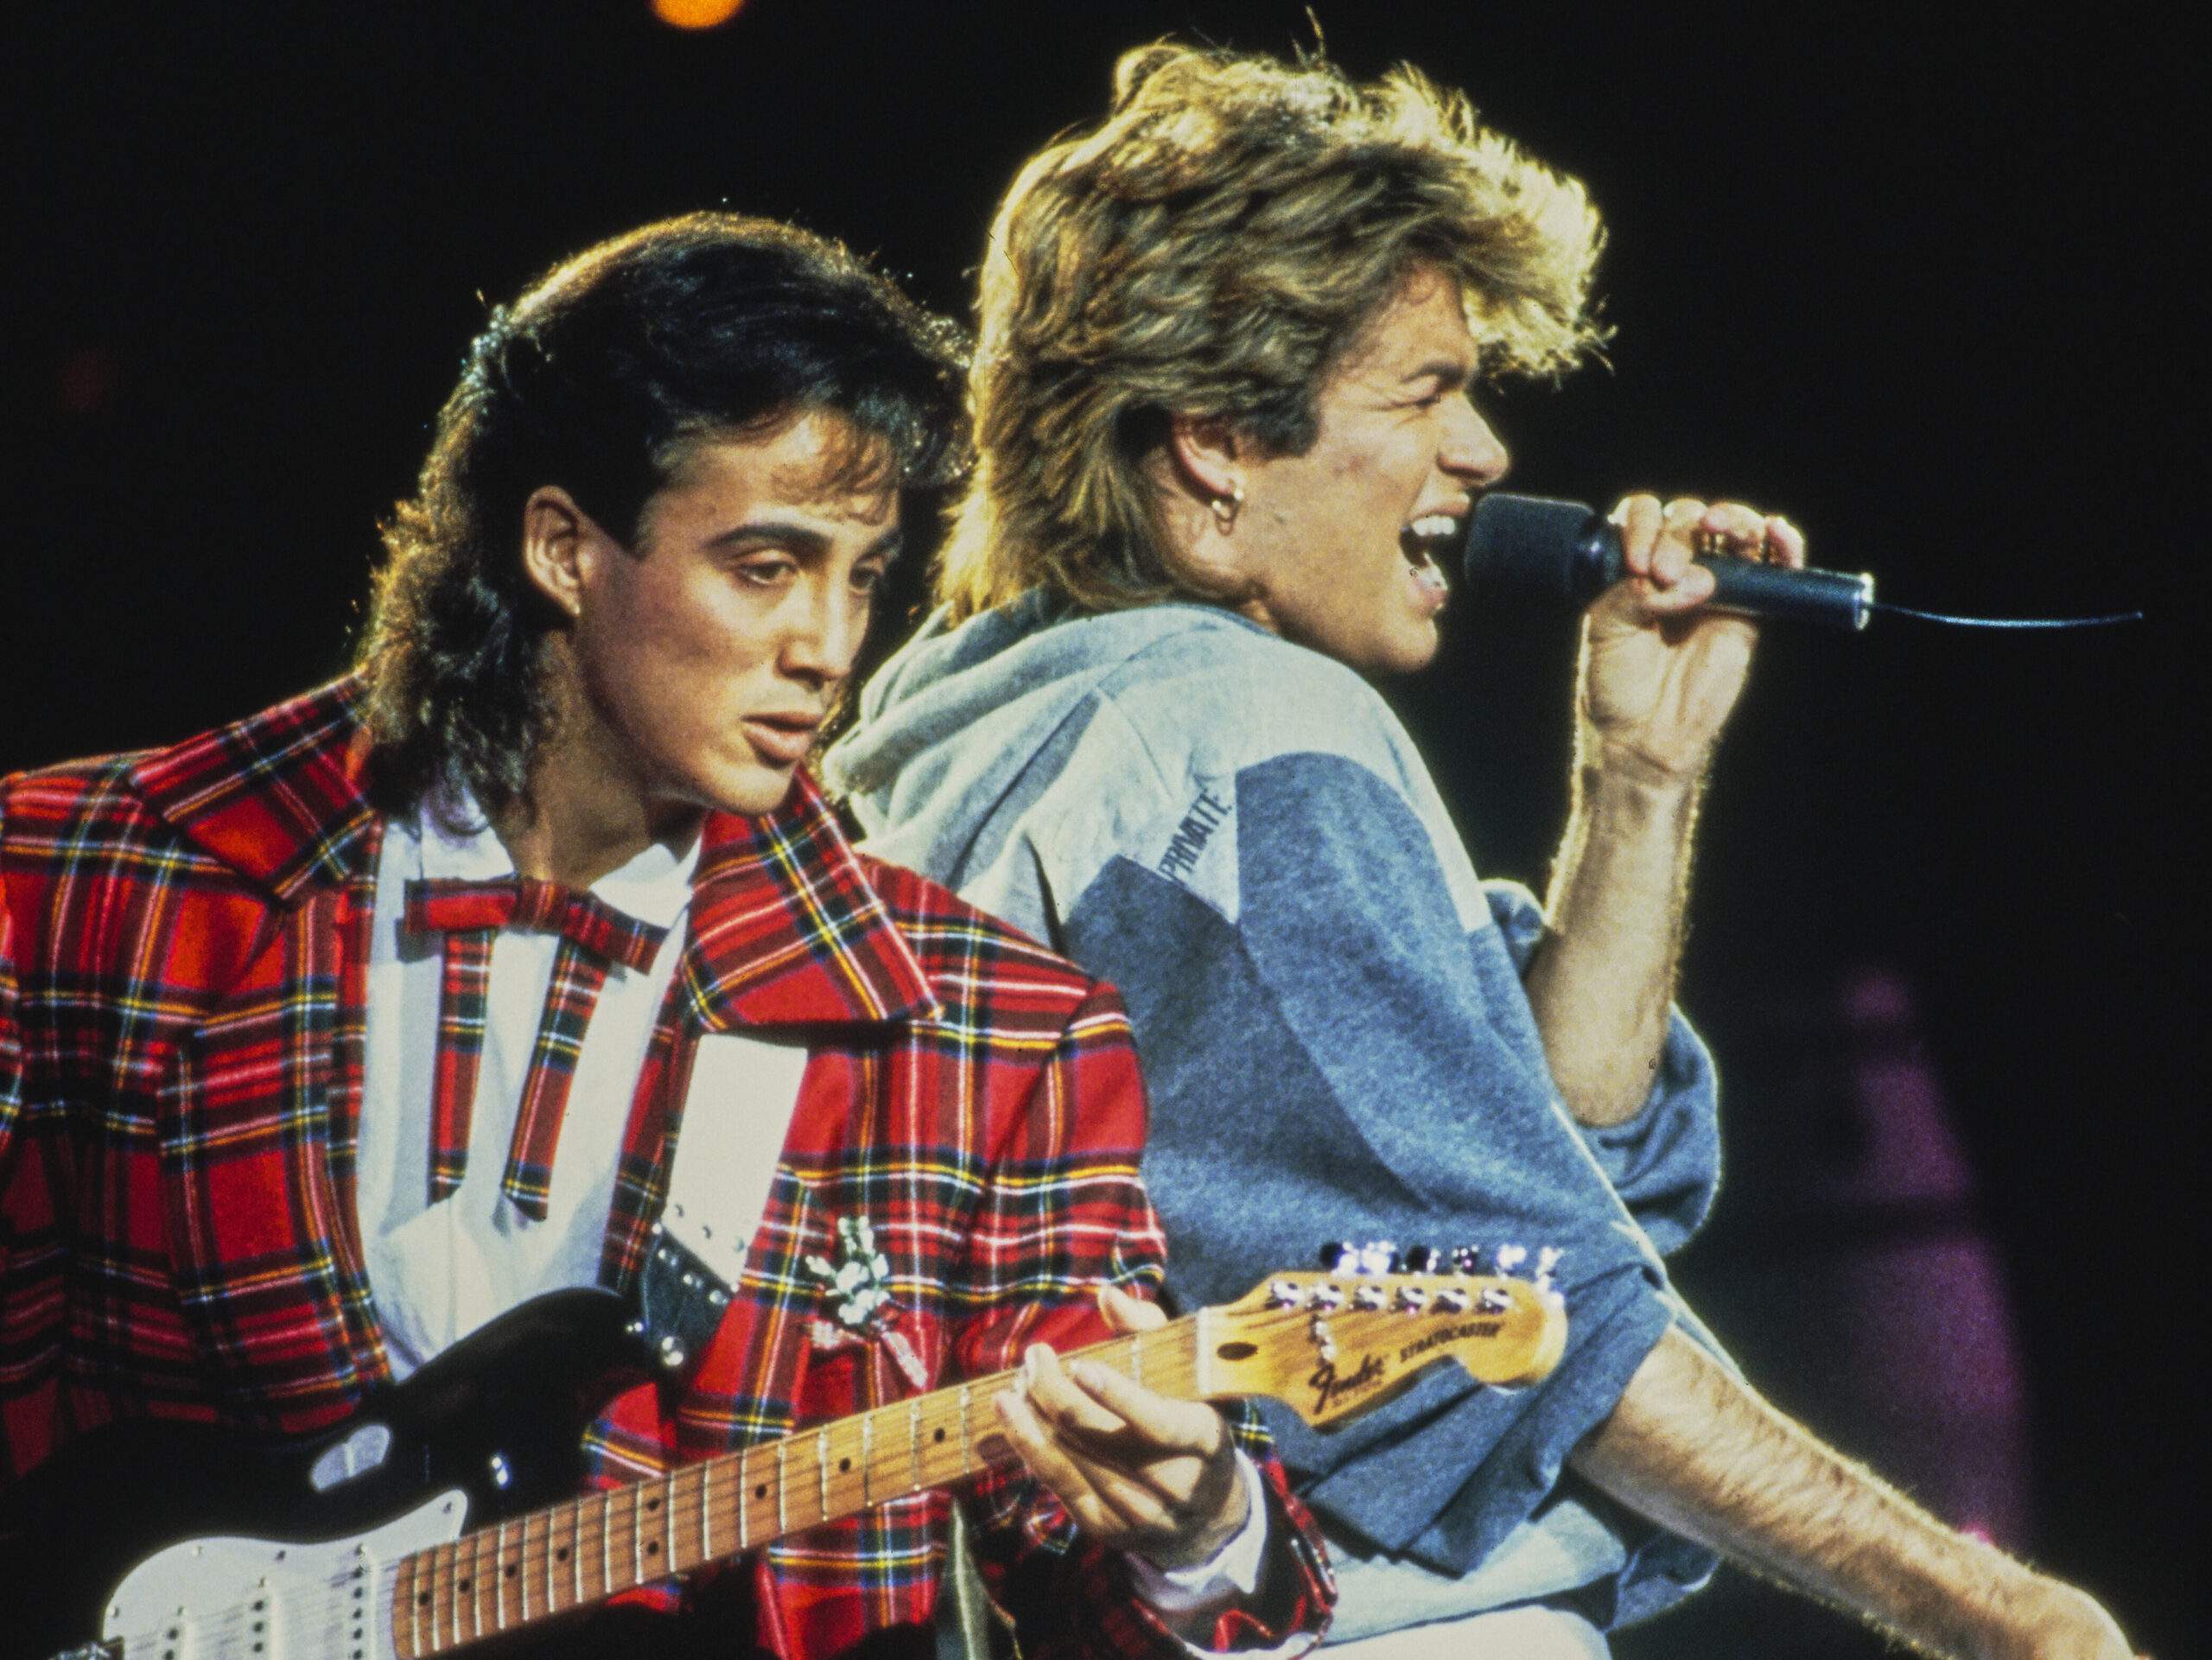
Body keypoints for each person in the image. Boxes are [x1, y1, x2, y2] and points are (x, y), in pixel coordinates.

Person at [823, 46, 2136, 1660]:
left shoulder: (934, 732)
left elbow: (1513, 1154)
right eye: (1426, 392)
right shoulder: (1241, 730)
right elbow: (1547, 1296)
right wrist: (1996, 1610)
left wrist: (1637, 777)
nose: (1487, 453)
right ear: (1217, 442)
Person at [0, 213, 1336, 1660]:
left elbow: (1091, 1577)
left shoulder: (993, 1030)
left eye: (864, 575)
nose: (830, 644)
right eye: (767, 566)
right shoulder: (92, 880)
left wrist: (1206, 1530)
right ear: (566, 546)